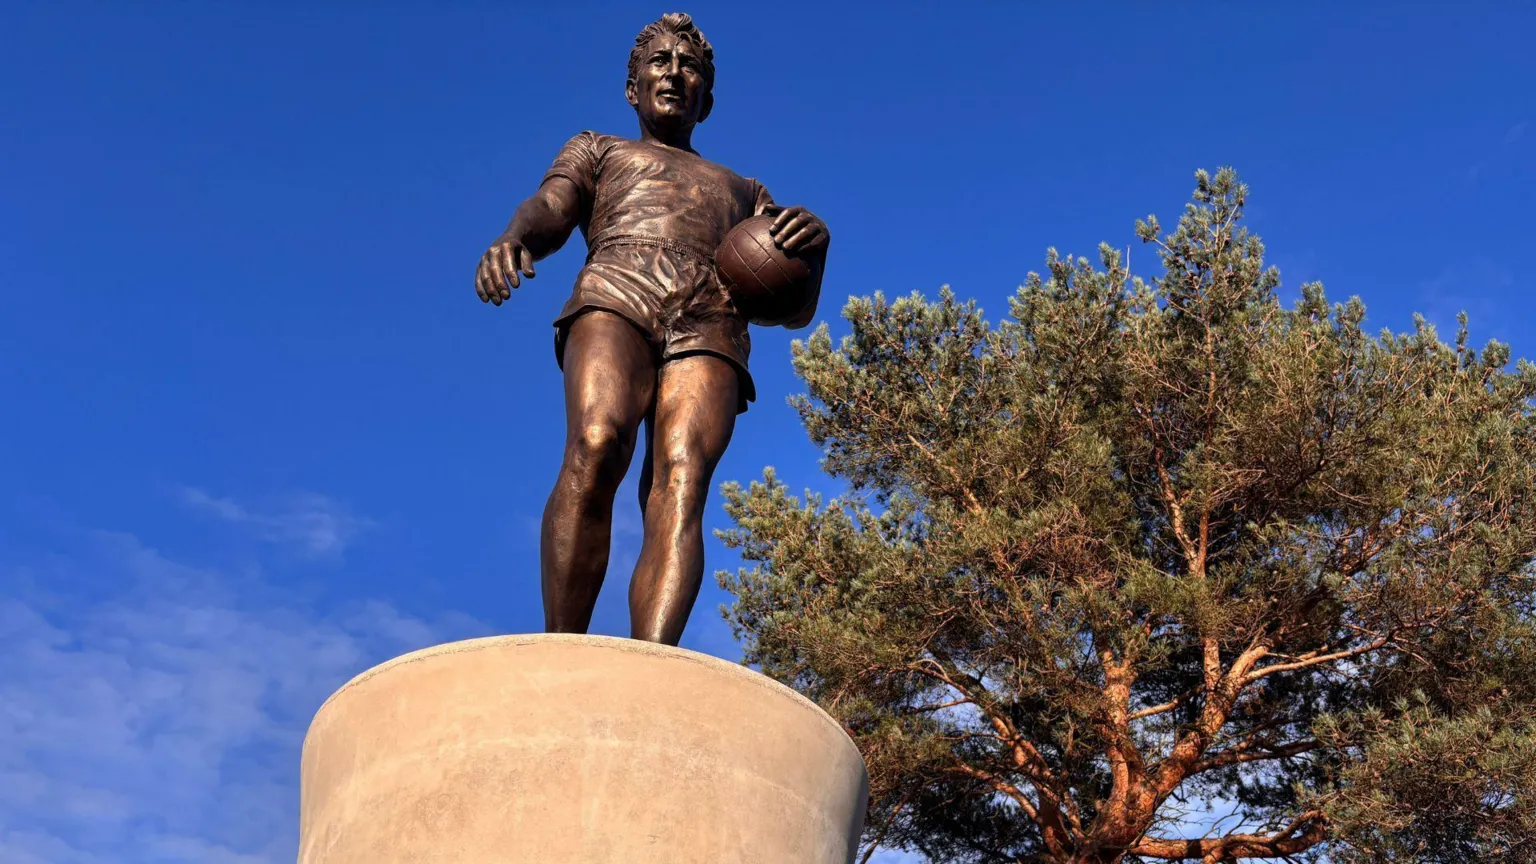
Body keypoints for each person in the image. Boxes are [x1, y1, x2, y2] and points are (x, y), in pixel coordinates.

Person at [472, 13, 829, 646]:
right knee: (597, 438)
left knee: (682, 476)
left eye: (689, 66)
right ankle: (562, 646)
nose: (674, 73)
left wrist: (813, 252)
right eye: (659, 62)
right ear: (633, 86)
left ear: (707, 99)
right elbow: (552, 207)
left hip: (711, 313)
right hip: (619, 283)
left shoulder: (746, 191)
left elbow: (793, 311)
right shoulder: (598, 150)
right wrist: (514, 236)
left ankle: (655, 663)